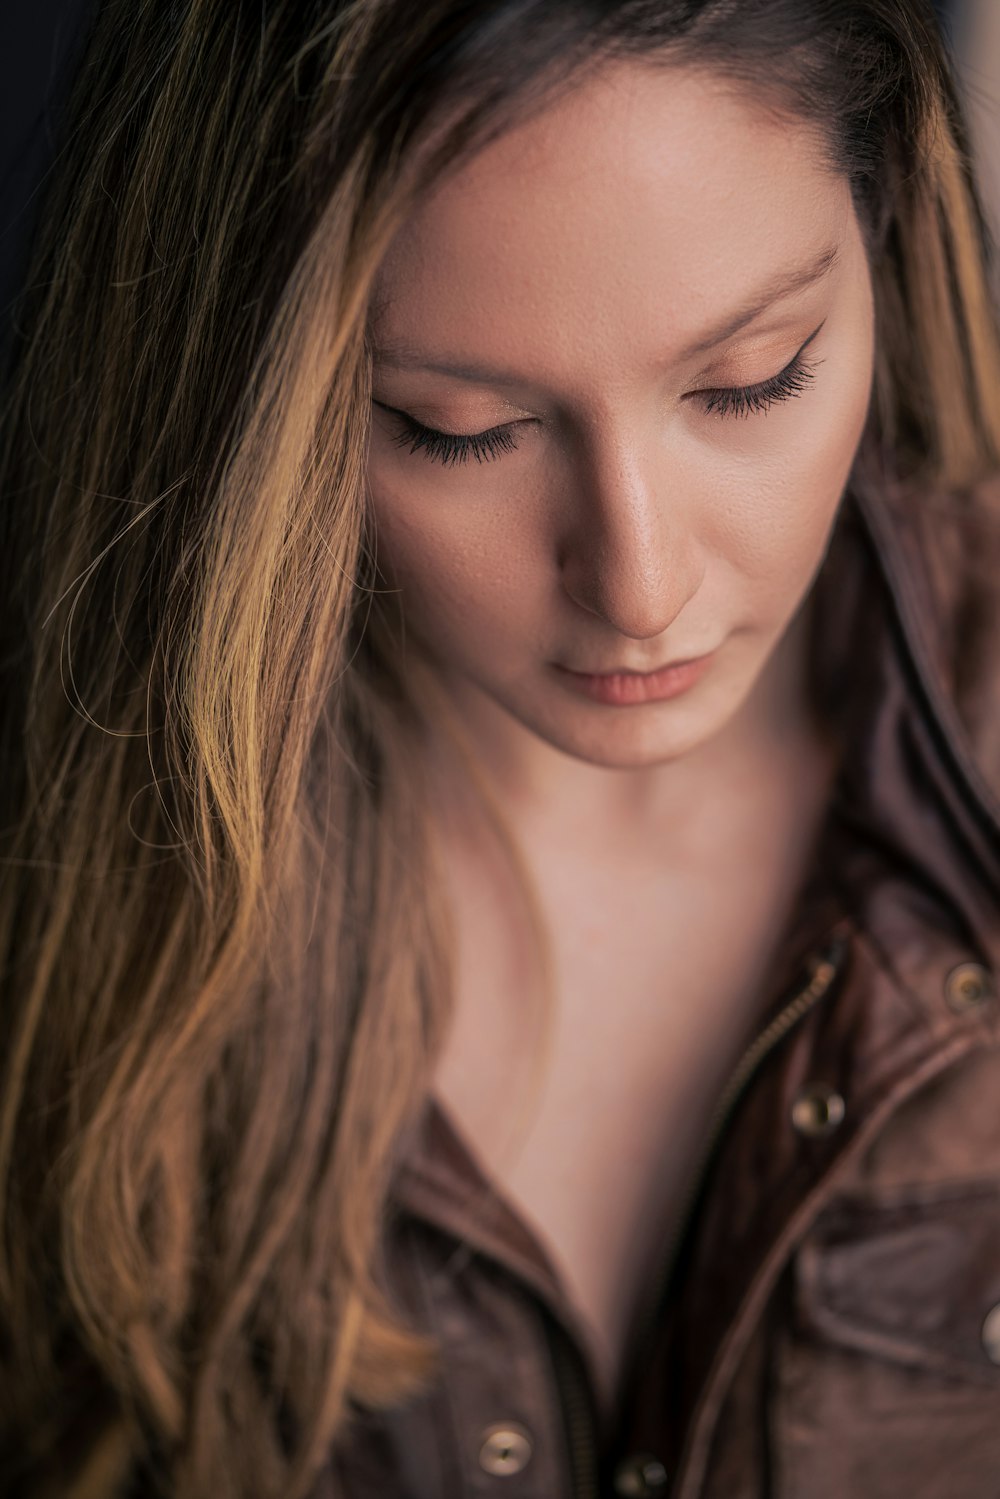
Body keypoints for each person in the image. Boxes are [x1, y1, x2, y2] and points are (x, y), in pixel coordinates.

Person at [1, 2, 999, 1497]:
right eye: (457, 428)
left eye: (751, 379)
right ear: (248, 412)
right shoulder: (58, 903)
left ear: (886, 235)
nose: (640, 584)